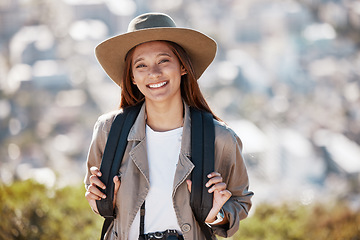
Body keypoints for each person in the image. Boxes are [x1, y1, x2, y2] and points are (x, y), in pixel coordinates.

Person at [84, 12, 253, 240]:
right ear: (132, 77)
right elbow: (97, 201)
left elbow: (241, 201)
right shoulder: (109, 131)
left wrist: (217, 214)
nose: (153, 73)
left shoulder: (219, 138)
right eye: (141, 65)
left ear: (183, 67)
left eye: (164, 60)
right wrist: (101, 203)